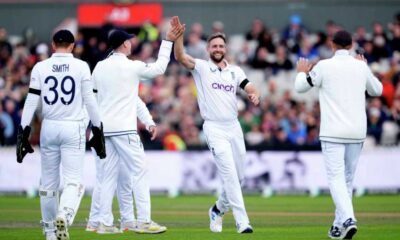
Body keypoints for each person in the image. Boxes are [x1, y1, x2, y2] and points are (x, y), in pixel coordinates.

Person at [89, 17, 184, 234]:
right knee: (139, 172)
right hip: (124, 130)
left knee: (108, 176)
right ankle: (144, 221)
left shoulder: (99, 68)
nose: (132, 43)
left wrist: (93, 127)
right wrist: (167, 41)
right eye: (129, 41)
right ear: (123, 44)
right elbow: (160, 68)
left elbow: (92, 99)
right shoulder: (132, 67)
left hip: (104, 130)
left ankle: (104, 223)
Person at [173, 17, 260, 234]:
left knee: (239, 179)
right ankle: (243, 222)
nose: (218, 49)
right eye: (214, 46)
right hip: (214, 128)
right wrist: (179, 37)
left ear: (226, 48)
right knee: (230, 175)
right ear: (208, 49)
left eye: (221, 46)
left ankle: (217, 209)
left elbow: (249, 86)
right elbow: (181, 57)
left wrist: (254, 94)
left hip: (233, 126)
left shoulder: (235, 71)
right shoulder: (201, 67)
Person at [16, 29, 106, 240]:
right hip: (73, 125)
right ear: (73, 46)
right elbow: (90, 100)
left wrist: (23, 129)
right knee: (74, 181)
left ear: (53, 45)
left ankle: (49, 232)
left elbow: (31, 100)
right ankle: (64, 214)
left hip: (49, 126)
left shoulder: (40, 67)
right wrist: (97, 128)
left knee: (48, 184)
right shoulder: (81, 66)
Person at [294, 30, 383, 240]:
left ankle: (349, 219)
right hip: (356, 132)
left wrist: (301, 72)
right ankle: (337, 225)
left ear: (332, 45)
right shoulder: (360, 66)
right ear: (351, 45)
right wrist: (366, 67)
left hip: (333, 132)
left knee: (336, 179)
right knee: (347, 180)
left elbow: (300, 88)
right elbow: (377, 90)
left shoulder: (324, 66)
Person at [86, 98, 158, 232]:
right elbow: (137, 103)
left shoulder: (98, 79)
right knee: (116, 178)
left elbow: (88, 102)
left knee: (114, 178)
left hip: (101, 132)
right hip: (120, 132)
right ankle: (104, 221)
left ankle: (106, 221)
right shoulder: (123, 80)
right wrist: (149, 122)